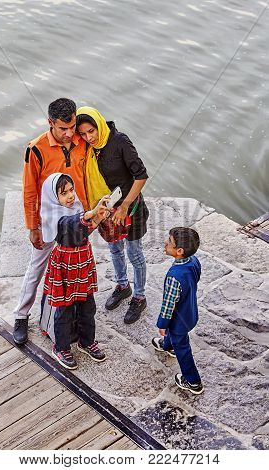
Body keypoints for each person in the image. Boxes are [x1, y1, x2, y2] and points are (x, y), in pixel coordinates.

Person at [13, 98, 88, 345]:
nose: (69, 133)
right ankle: (21, 316)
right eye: (62, 128)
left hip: (76, 219)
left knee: (76, 267)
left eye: (71, 126)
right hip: (48, 222)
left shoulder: (82, 140)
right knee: (36, 268)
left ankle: (71, 316)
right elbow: (29, 191)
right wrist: (33, 227)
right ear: (50, 123)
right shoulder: (36, 149)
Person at [76, 107, 149, 324]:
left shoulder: (119, 142)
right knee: (115, 250)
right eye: (84, 134)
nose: (89, 137)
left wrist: (125, 206)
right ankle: (123, 286)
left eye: (92, 131)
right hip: (107, 211)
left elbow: (141, 176)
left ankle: (139, 296)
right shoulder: (90, 149)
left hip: (130, 209)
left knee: (134, 254)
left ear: (99, 125)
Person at [41, 173, 108, 369]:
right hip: (65, 265)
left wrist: (96, 219)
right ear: (54, 197)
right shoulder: (54, 214)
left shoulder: (77, 208)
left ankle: (86, 341)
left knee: (88, 305)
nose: (70, 196)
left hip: (83, 260)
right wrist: (91, 212)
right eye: (64, 193)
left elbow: (82, 231)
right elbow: (68, 224)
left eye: (71, 190)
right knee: (65, 308)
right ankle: (61, 347)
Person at [152, 227, 204, 395]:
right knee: (174, 337)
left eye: (170, 242)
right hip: (190, 311)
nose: (165, 243)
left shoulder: (174, 276)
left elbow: (168, 307)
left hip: (179, 320)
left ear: (179, 251)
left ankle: (193, 381)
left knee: (183, 348)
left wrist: (162, 324)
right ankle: (168, 345)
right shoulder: (194, 261)